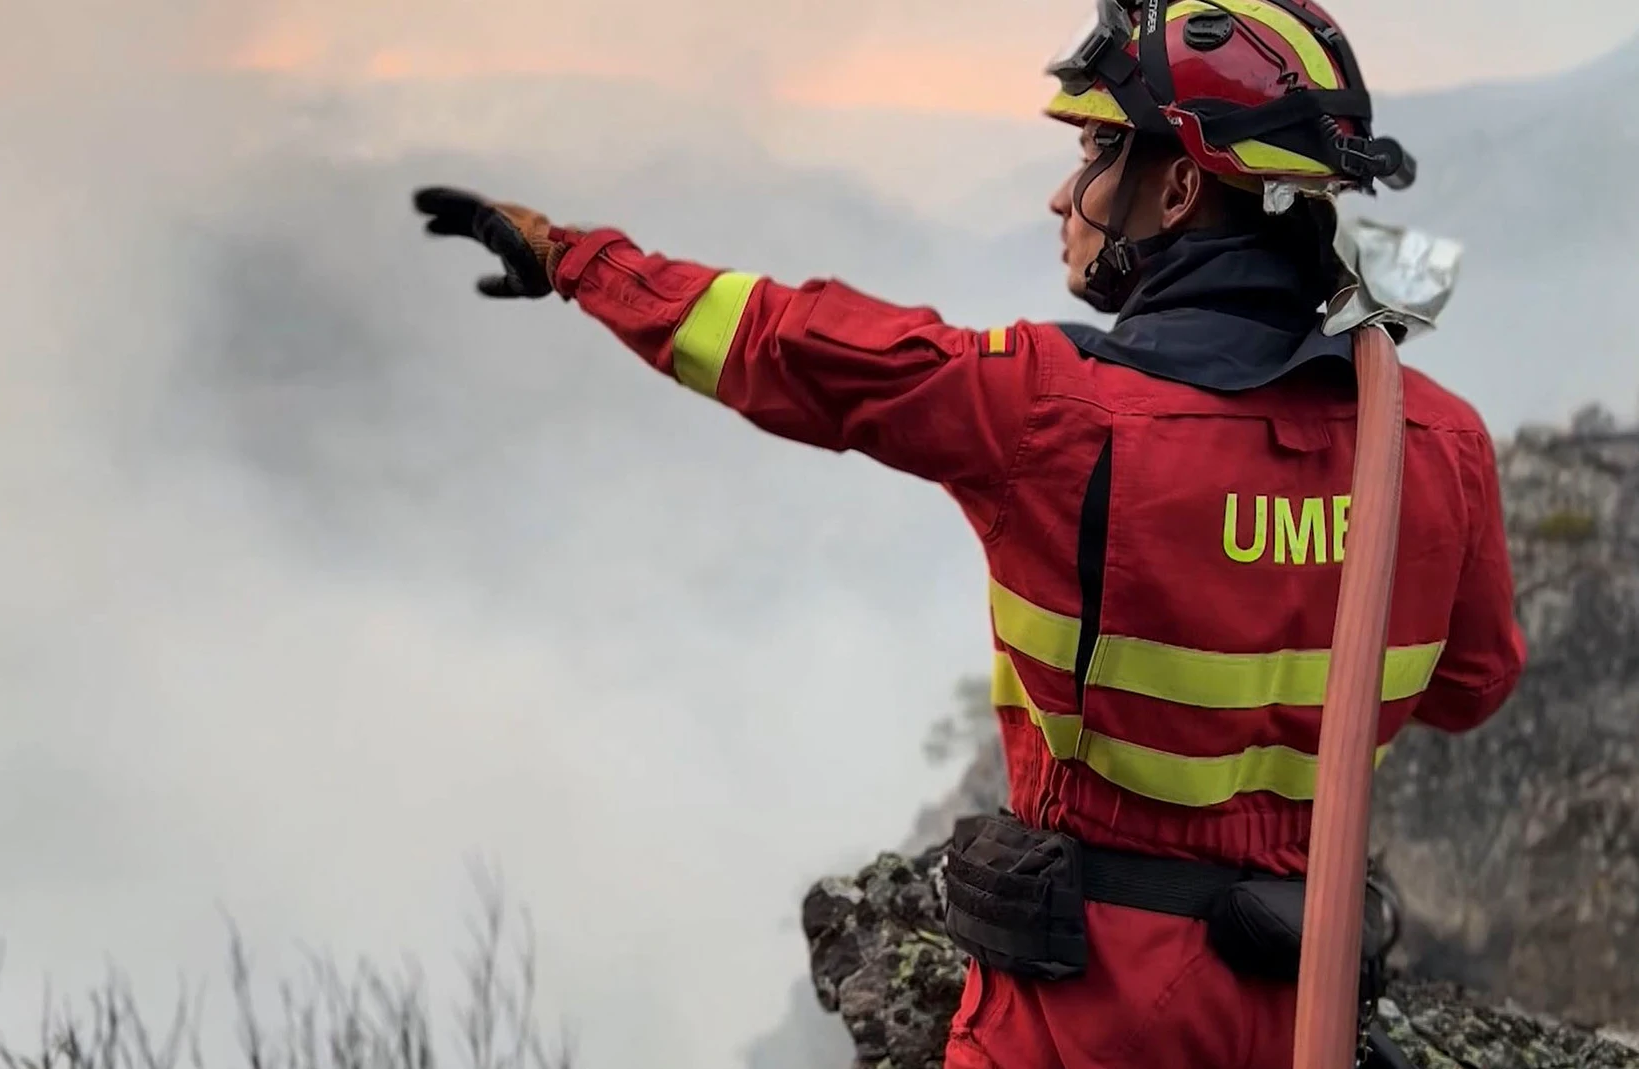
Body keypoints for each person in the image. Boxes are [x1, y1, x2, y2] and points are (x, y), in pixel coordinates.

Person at [413, 1, 1526, 1065]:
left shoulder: (1056, 411)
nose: (1062, 196)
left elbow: (797, 348)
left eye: (1094, 154)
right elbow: (1471, 684)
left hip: (1080, 1014)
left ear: (1180, 184)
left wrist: (577, 261)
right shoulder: (1436, 439)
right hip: (1296, 1000)